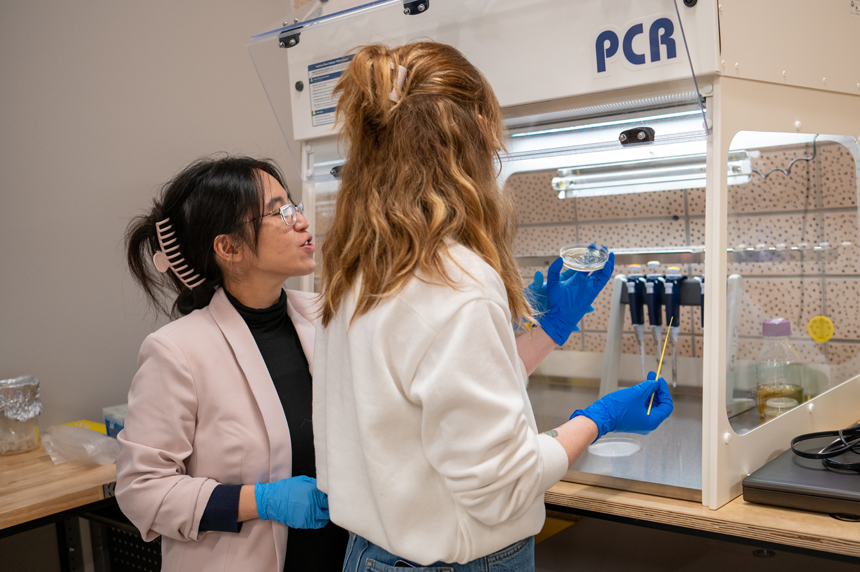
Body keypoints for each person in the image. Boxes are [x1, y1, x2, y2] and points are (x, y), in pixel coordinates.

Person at [313, 42, 674, 570]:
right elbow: (506, 487)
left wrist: (551, 327)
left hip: (372, 553)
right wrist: (597, 419)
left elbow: (429, 398)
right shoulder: (456, 281)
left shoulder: (358, 266)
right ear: (478, 129)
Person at [117, 156, 347, 572]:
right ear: (228, 248)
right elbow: (142, 490)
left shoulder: (324, 315)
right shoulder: (177, 351)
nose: (300, 220)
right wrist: (261, 501)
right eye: (279, 211)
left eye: (292, 204)